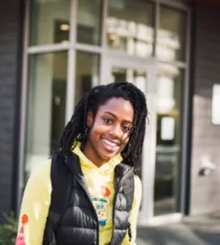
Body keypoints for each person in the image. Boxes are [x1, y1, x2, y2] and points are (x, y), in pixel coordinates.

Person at [16, 82, 148, 245]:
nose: (116, 132)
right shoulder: (48, 174)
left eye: (126, 127)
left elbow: (128, 242)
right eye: (108, 120)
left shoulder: (131, 184)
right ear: (90, 118)